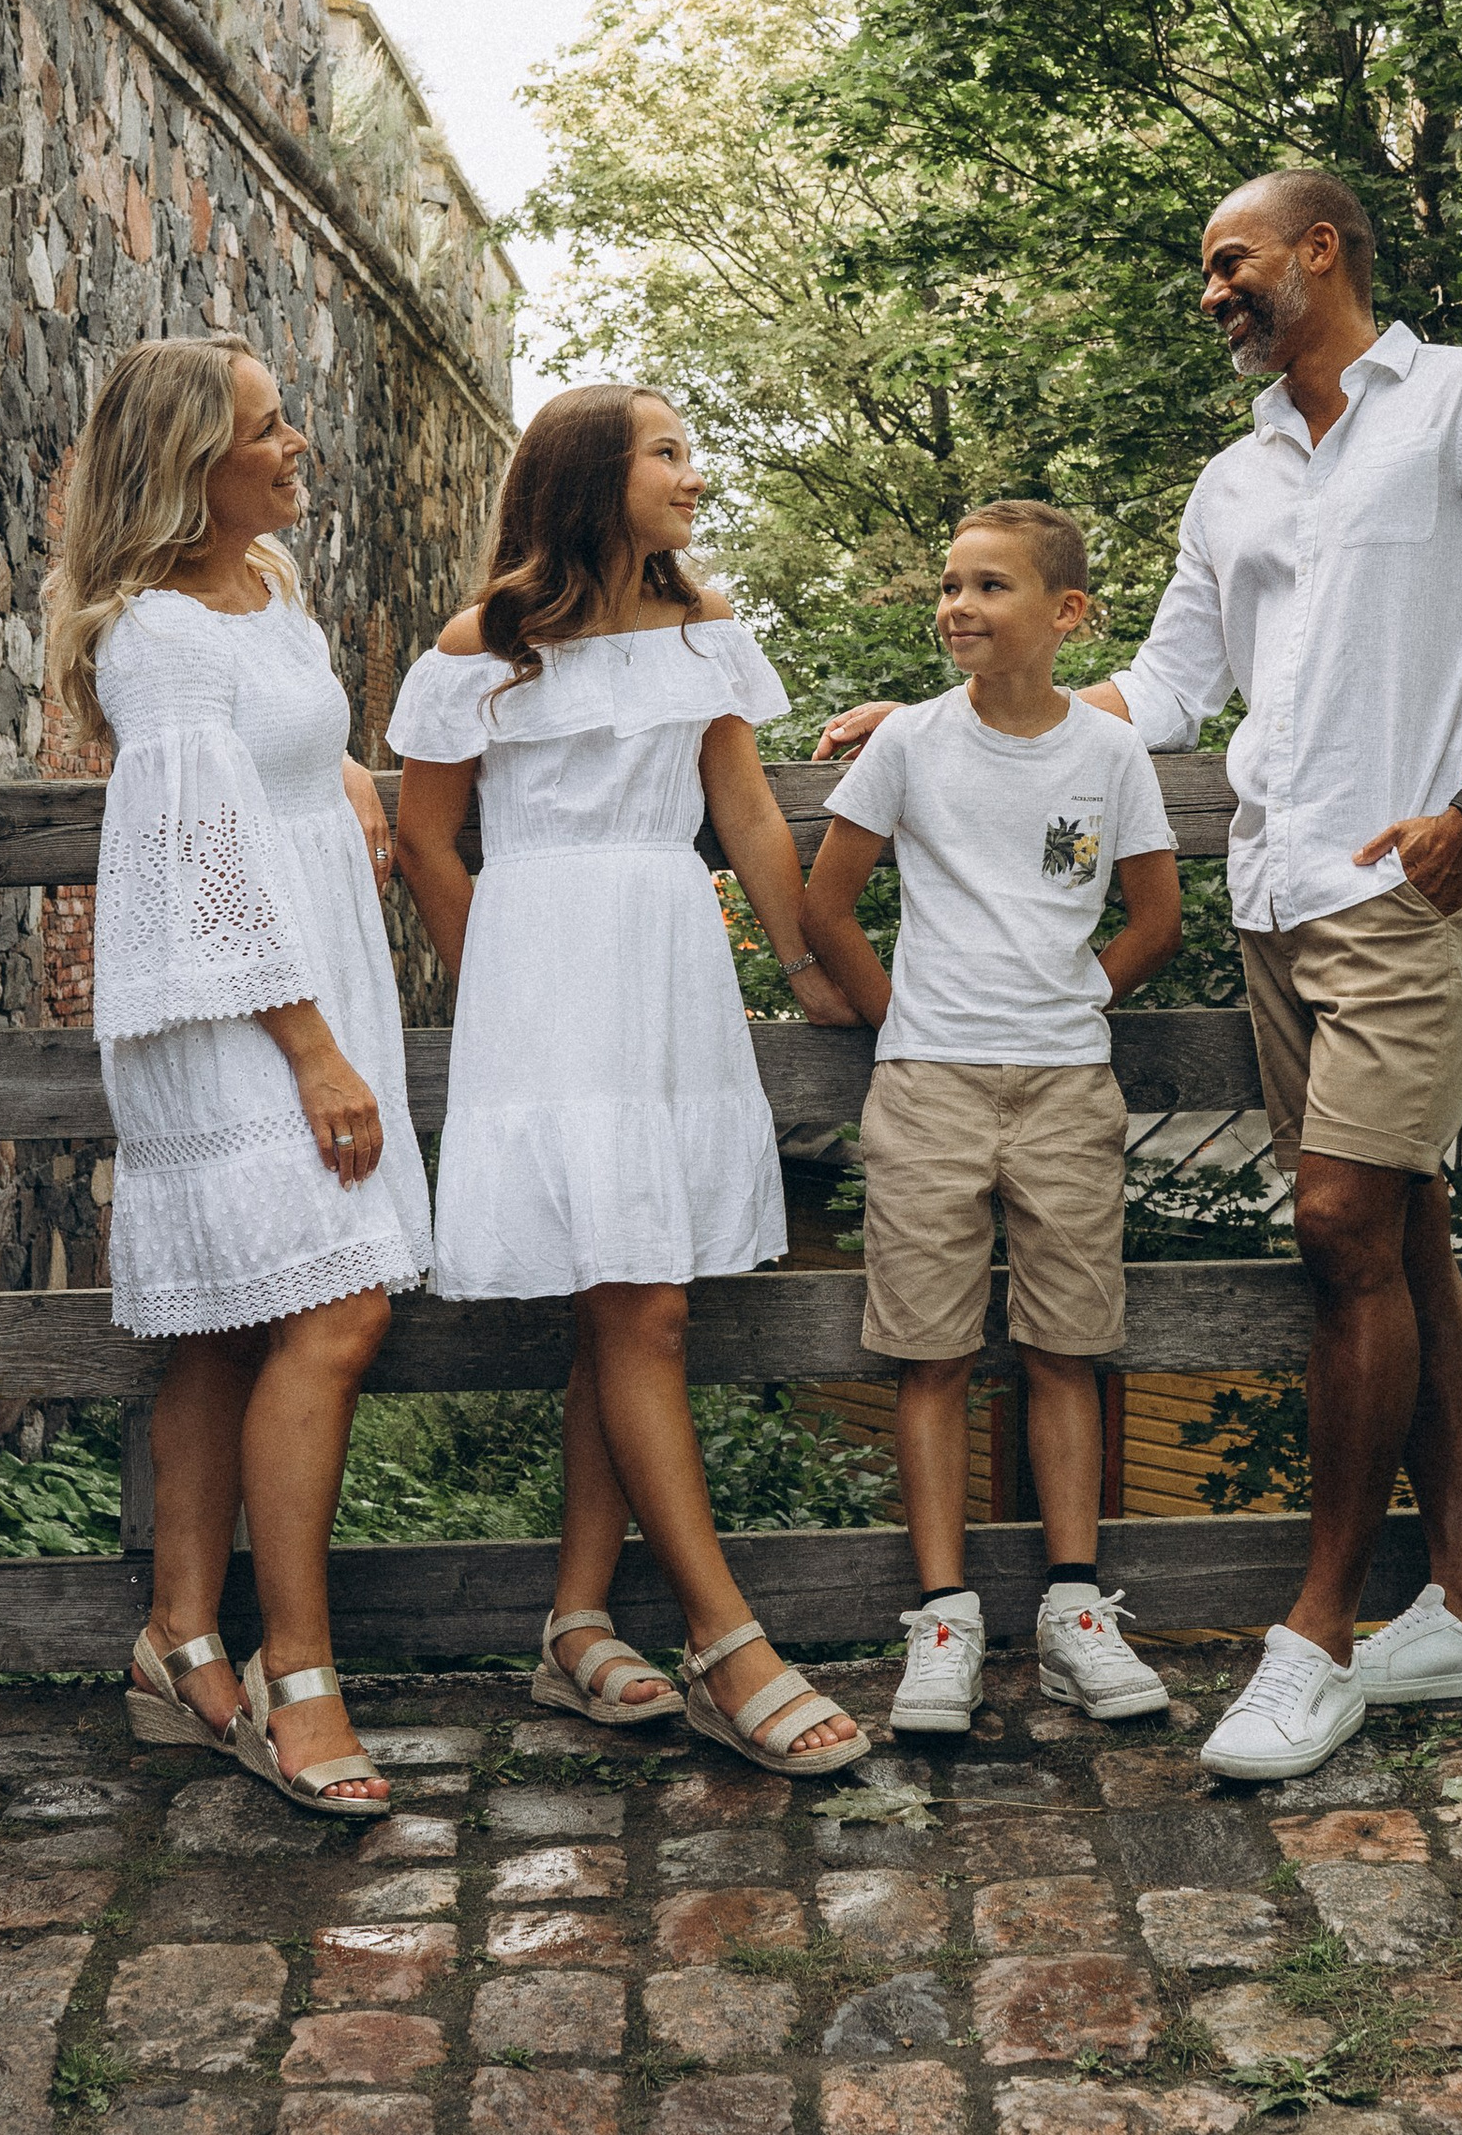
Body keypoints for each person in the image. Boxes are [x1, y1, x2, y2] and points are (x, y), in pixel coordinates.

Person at [820, 167, 1462, 1781]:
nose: (1212, 292)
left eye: (1230, 261)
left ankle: (1313, 1638)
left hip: (1414, 882)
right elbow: (1164, 691)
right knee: (1404, 1230)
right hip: (1273, 896)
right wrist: (929, 722)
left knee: (1336, 1227)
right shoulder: (1232, 483)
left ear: (1320, 251)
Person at [388, 384, 872, 1778]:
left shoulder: (701, 632)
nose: (694, 476)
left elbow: (747, 812)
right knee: (642, 1302)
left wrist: (805, 964)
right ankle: (728, 1640)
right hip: (541, 976)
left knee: (635, 1287)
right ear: (594, 476)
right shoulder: (484, 643)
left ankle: (578, 1621)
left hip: (665, 971)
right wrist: (506, 1002)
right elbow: (429, 842)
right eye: (669, 452)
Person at [49, 336, 431, 1820]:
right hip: (238, 1017)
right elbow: (200, 874)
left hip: (309, 982)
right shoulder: (158, 638)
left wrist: (339, 780)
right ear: (190, 467)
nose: (297, 449)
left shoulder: (266, 597)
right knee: (338, 1311)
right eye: (269, 432)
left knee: (224, 1333)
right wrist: (318, 1051)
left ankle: (174, 1642)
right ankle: (299, 1673)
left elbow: (278, 762)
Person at [802, 503, 1183, 1735]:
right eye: (951, 584)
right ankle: (945, 1617)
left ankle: (1075, 1610)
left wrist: (1073, 998)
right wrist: (894, 1018)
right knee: (931, 1349)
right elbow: (828, 901)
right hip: (927, 1086)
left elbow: (1154, 921)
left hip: (1066, 1085)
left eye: (991, 586)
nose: (958, 605)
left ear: (1065, 614)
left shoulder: (1110, 758)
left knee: (1068, 1343)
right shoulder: (909, 743)